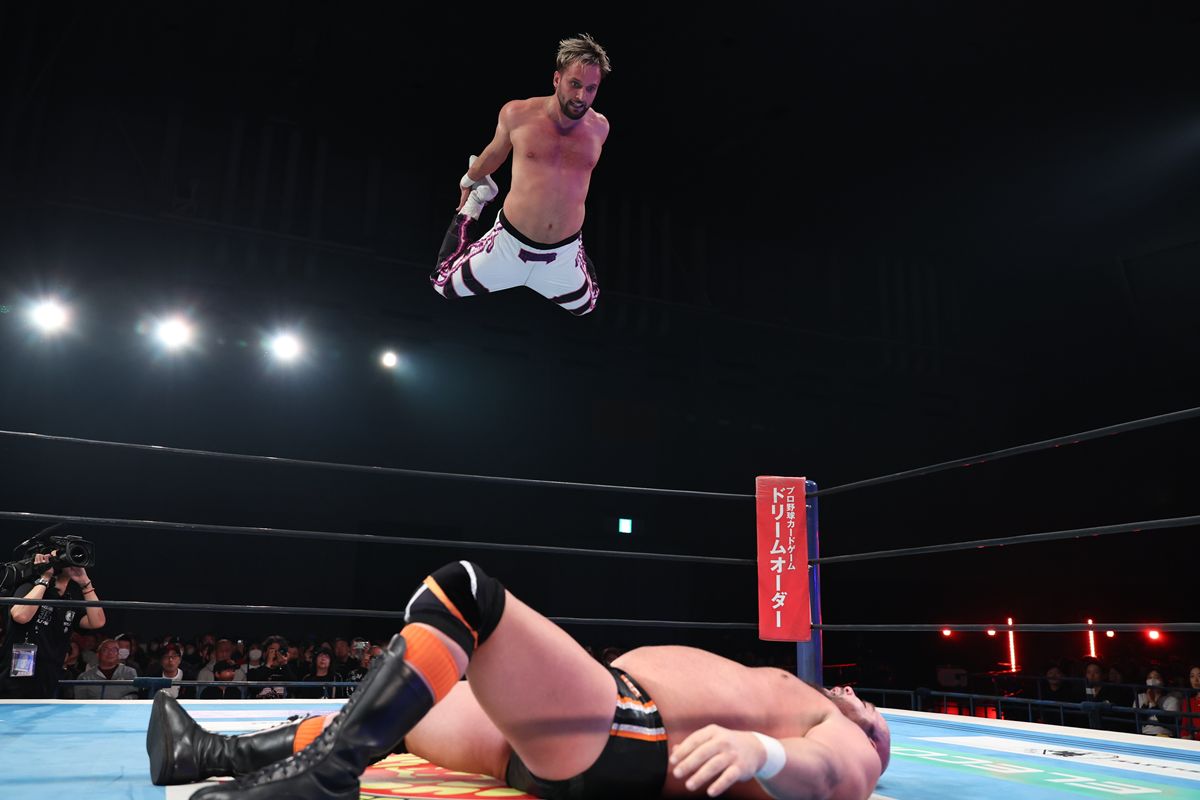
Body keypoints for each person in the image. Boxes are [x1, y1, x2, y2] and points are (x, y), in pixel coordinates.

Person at [147, 560, 889, 799]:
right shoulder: (798, 694)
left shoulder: (838, 732)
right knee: (410, 705)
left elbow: (838, 777)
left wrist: (764, 753)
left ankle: (321, 783)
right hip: (578, 734)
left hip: (627, 730)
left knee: (464, 594)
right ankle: (207, 754)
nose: (861, 702)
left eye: (874, 715)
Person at [430, 35, 610, 317]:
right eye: (575, 84)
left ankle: (576, 248)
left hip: (562, 254)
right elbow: (494, 153)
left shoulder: (600, 128)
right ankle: (478, 201)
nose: (581, 97)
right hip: (508, 246)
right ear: (557, 79)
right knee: (443, 284)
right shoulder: (518, 113)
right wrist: (469, 180)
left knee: (587, 306)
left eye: (591, 89)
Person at [0, 551, 106, 698]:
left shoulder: (68, 601)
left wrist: (85, 583)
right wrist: (45, 578)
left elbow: (97, 621)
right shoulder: (30, 587)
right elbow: (20, 616)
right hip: (16, 679)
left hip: (49, 678)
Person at [1134, 669, 1180, 737]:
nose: (1152, 680)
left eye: (1156, 677)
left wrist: (1153, 703)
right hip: (1145, 735)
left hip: (1165, 736)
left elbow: (1168, 722)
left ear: (1163, 681)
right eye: (1149, 677)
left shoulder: (1172, 700)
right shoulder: (1140, 697)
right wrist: (1147, 702)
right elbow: (1139, 719)